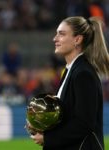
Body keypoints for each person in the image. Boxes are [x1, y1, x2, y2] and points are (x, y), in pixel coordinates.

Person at [29, 16, 109, 150]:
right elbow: (70, 118)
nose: (55, 39)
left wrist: (48, 138)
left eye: (61, 34)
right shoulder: (71, 70)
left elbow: (83, 124)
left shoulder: (83, 74)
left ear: (77, 39)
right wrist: (44, 127)